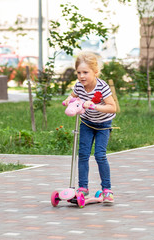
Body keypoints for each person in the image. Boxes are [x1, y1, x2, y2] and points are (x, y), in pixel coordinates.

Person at [63, 51, 117, 204]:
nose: (82, 76)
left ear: (95, 72)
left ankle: (107, 190)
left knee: (100, 155)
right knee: (83, 154)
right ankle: (83, 188)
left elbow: (112, 108)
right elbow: (73, 95)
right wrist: (69, 99)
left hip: (103, 125)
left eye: (85, 72)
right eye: (79, 72)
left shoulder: (102, 87)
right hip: (86, 123)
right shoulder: (79, 85)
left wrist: (95, 106)